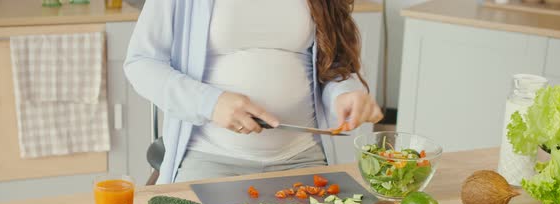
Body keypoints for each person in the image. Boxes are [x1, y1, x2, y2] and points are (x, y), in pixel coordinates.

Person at [124, 0, 384, 184]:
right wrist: (211, 103)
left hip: (302, 157)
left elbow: (333, 64)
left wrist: (345, 92)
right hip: (209, 156)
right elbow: (141, 63)